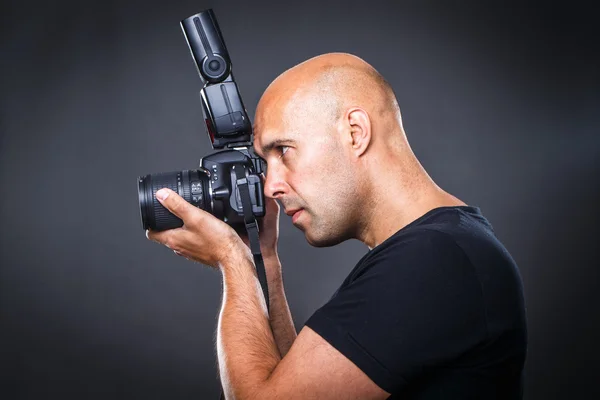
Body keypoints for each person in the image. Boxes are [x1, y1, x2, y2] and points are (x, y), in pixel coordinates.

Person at [147, 52, 527, 399]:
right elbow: (288, 381)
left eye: (283, 150)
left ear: (355, 132)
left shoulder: (436, 261)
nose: (270, 186)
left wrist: (232, 260)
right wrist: (262, 259)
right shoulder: (438, 249)